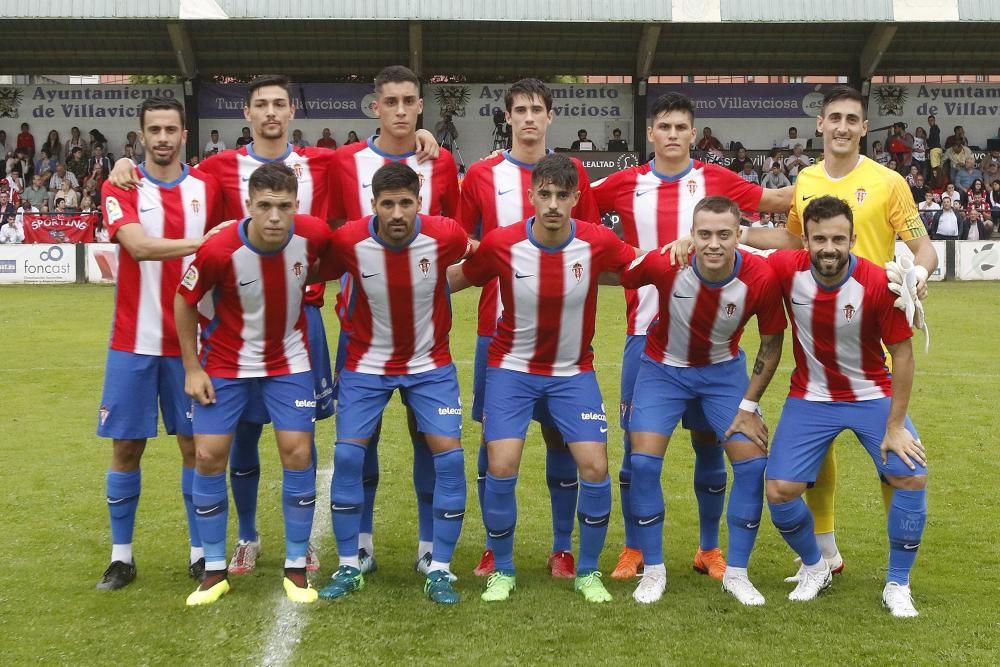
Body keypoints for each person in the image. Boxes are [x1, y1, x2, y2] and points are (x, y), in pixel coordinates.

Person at [108, 74, 440, 577]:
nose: (270, 113)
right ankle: (245, 537)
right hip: (236, 319)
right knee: (235, 437)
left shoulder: (325, 161)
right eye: (260, 104)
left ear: (292, 113)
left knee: (299, 439)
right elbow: (170, 170)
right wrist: (125, 162)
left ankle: (301, 546)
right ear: (247, 113)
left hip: (301, 319)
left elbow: (381, 153)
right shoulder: (218, 169)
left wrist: (420, 135)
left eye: (279, 104)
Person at [730, 86, 937, 584]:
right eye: (834, 118)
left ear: (864, 128)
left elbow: (920, 244)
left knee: (894, 452)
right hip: (816, 325)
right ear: (820, 125)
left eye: (852, 119)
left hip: (875, 321)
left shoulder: (888, 182)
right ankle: (825, 554)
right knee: (815, 449)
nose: (842, 127)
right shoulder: (805, 178)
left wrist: (920, 276)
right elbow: (793, 238)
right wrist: (741, 235)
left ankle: (897, 572)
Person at [590, 91, 792, 582]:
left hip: (714, 342)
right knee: (636, 449)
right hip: (646, 336)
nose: (674, 135)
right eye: (665, 127)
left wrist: (833, 175)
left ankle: (708, 548)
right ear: (651, 133)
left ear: (692, 132)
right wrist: (631, 254)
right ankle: (634, 547)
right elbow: (578, 212)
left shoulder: (715, 180)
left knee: (709, 443)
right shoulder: (625, 184)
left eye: (682, 127)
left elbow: (778, 204)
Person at [452, 153, 641, 604]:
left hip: (572, 371)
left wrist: (686, 254)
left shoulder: (596, 241)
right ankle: (504, 568)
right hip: (511, 369)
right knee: (500, 465)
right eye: (545, 194)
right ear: (531, 195)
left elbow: (641, 267)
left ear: (577, 197)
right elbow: (459, 277)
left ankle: (587, 570)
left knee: (595, 466)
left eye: (562, 195)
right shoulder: (502, 243)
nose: (553, 204)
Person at [457, 77, 600, 579]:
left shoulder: (572, 173)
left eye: (537, 109)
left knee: (564, 442)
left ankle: (563, 548)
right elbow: (464, 245)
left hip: (563, 342)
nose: (529, 118)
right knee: (494, 445)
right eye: (520, 109)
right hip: (497, 335)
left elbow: (593, 242)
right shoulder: (480, 174)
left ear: (550, 116)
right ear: (508, 117)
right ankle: (494, 548)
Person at [175, 162, 334, 606]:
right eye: (264, 206)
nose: (275, 216)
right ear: (248, 206)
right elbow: (184, 302)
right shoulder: (218, 250)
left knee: (298, 452)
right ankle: (212, 570)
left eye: (284, 206)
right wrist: (192, 368)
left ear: (297, 205)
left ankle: (297, 567)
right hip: (225, 364)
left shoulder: (313, 234)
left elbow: (338, 259)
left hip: (289, 360)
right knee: (207, 455)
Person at [315, 162, 473, 605]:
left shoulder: (445, 235)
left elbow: (473, 256)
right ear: (374, 206)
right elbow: (308, 265)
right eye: (388, 204)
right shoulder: (348, 240)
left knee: (449, 457)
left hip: (430, 363)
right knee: (348, 456)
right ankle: (351, 562)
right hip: (367, 363)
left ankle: (437, 565)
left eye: (406, 202)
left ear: (419, 202)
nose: (398, 212)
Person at [764, 195, 928, 618]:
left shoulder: (877, 283)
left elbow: (904, 356)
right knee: (780, 491)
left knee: (910, 476)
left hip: (872, 395)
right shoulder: (785, 269)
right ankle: (816, 566)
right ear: (806, 241)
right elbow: (736, 255)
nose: (829, 248)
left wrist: (895, 426)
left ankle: (898, 583)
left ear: (853, 239)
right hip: (812, 397)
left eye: (838, 238)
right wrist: (693, 241)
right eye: (819, 238)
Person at [619, 195, 786, 605]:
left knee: (752, 465)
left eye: (724, 234)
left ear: (738, 236)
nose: (714, 243)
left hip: (723, 374)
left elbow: (772, 343)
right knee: (641, 463)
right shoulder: (666, 263)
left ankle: (737, 573)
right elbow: (621, 273)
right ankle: (654, 571)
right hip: (661, 371)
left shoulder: (760, 277)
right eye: (705, 234)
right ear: (692, 235)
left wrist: (748, 407)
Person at [93, 96, 224, 592]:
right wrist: (200, 243)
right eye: (155, 130)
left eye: (172, 129)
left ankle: (200, 554)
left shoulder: (207, 187)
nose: (164, 138)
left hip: (191, 345)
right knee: (126, 447)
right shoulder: (121, 183)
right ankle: (121, 558)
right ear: (141, 136)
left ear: (185, 135)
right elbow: (138, 246)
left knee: (197, 449)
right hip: (133, 341)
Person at [330, 65, 457, 577]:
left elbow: (455, 239)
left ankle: (431, 549)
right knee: (362, 443)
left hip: (425, 335)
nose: (401, 110)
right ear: (375, 106)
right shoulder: (341, 160)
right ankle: (358, 546)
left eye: (410, 101)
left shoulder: (441, 161)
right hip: (363, 331)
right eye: (391, 102)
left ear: (421, 106)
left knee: (429, 439)